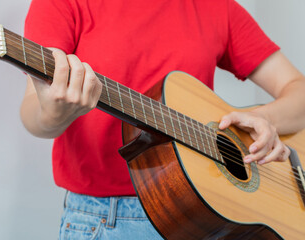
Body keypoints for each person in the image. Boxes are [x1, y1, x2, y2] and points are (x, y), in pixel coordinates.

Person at [21, 0, 305, 239]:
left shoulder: (216, 7)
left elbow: (298, 92)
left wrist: (263, 119)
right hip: (106, 221)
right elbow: (33, 114)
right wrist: (54, 112)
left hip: (210, 219)